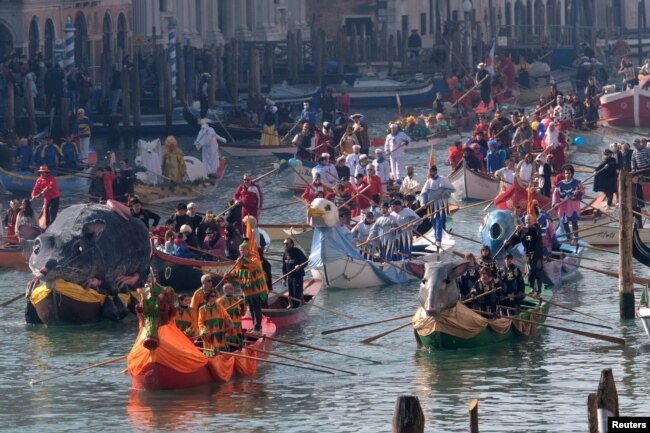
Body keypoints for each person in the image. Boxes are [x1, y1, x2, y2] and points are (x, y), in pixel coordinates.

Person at [226, 239, 269, 333]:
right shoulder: (239, 261)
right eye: (240, 250)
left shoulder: (254, 258)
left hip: (256, 290)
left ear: (247, 250)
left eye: (243, 250)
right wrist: (228, 276)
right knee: (251, 308)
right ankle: (254, 326)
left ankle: (258, 327)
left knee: (257, 307)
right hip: (247, 290)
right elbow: (236, 273)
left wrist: (243, 260)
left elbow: (252, 266)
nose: (242, 252)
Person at [506, 214, 545, 293]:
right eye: (526, 220)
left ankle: (538, 291)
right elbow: (517, 240)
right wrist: (508, 242)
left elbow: (531, 230)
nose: (528, 221)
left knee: (537, 271)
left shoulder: (536, 228)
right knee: (530, 272)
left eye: (529, 219)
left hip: (537, 254)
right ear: (524, 221)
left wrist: (521, 228)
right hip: (528, 255)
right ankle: (532, 288)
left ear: (533, 220)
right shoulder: (523, 231)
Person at [419, 165, 455, 247]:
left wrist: (444, 193)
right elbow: (423, 194)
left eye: (431, 171)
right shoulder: (428, 182)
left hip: (441, 204)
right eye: (429, 171)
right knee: (434, 221)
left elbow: (452, 189)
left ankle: (438, 240)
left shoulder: (443, 179)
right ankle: (436, 238)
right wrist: (423, 203)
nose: (430, 173)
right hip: (431, 205)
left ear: (435, 171)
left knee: (439, 220)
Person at [552, 164, 585, 240]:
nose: (567, 175)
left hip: (574, 206)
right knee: (565, 222)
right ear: (564, 173)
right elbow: (555, 194)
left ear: (572, 173)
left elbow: (583, 192)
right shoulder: (560, 184)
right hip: (563, 206)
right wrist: (555, 203)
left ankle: (576, 237)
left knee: (574, 222)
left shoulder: (577, 183)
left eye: (569, 173)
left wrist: (578, 193)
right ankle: (568, 237)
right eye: (566, 173)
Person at [197, 289, 232, 354]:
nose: (214, 298)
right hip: (209, 335)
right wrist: (204, 331)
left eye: (214, 296)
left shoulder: (219, 306)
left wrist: (230, 324)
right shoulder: (202, 309)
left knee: (221, 349)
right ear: (207, 297)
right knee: (211, 350)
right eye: (212, 296)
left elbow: (226, 316)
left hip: (219, 333)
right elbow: (200, 322)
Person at [282, 238, 308, 308]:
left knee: (297, 293)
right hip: (290, 276)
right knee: (291, 293)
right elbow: (284, 267)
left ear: (292, 244)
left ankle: (297, 306)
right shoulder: (285, 253)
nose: (285, 245)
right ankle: (291, 305)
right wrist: (284, 279)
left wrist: (300, 266)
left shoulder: (297, 251)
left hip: (298, 276)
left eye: (287, 243)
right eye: (284, 244)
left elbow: (306, 261)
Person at [218, 282, 245, 347]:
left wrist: (242, 304)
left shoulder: (236, 299)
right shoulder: (220, 301)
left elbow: (242, 313)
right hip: (228, 327)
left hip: (237, 327)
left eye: (232, 288)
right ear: (225, 290)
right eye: (230, 288)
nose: (232, 290)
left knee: (238, 343)